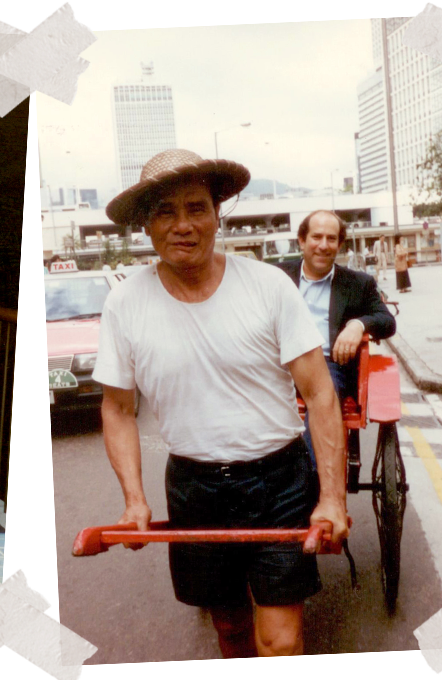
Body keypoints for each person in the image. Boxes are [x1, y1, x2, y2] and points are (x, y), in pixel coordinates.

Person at [94, 149, 350, 667]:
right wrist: (134, 501)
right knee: (231, 627)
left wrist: (333, 498)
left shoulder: (267, 286)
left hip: (279, 481)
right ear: (146, 224)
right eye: (166, 211)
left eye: (197, 208)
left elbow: (321, 393)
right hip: (194, 486)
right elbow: (118, 409)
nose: (183, 225)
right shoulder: (126, 303)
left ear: (218, 215)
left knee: (279, 637)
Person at [277, 211, 396, 467]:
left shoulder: (358, 283)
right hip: (279, 364)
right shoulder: (276, 277)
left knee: (323, 400)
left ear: (340, 244)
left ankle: (314, 485)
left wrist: (358, 324)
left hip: (326, 365)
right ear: (301, 240)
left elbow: (387, 322)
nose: (323, 245)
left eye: (331, 239)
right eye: (316, 237)